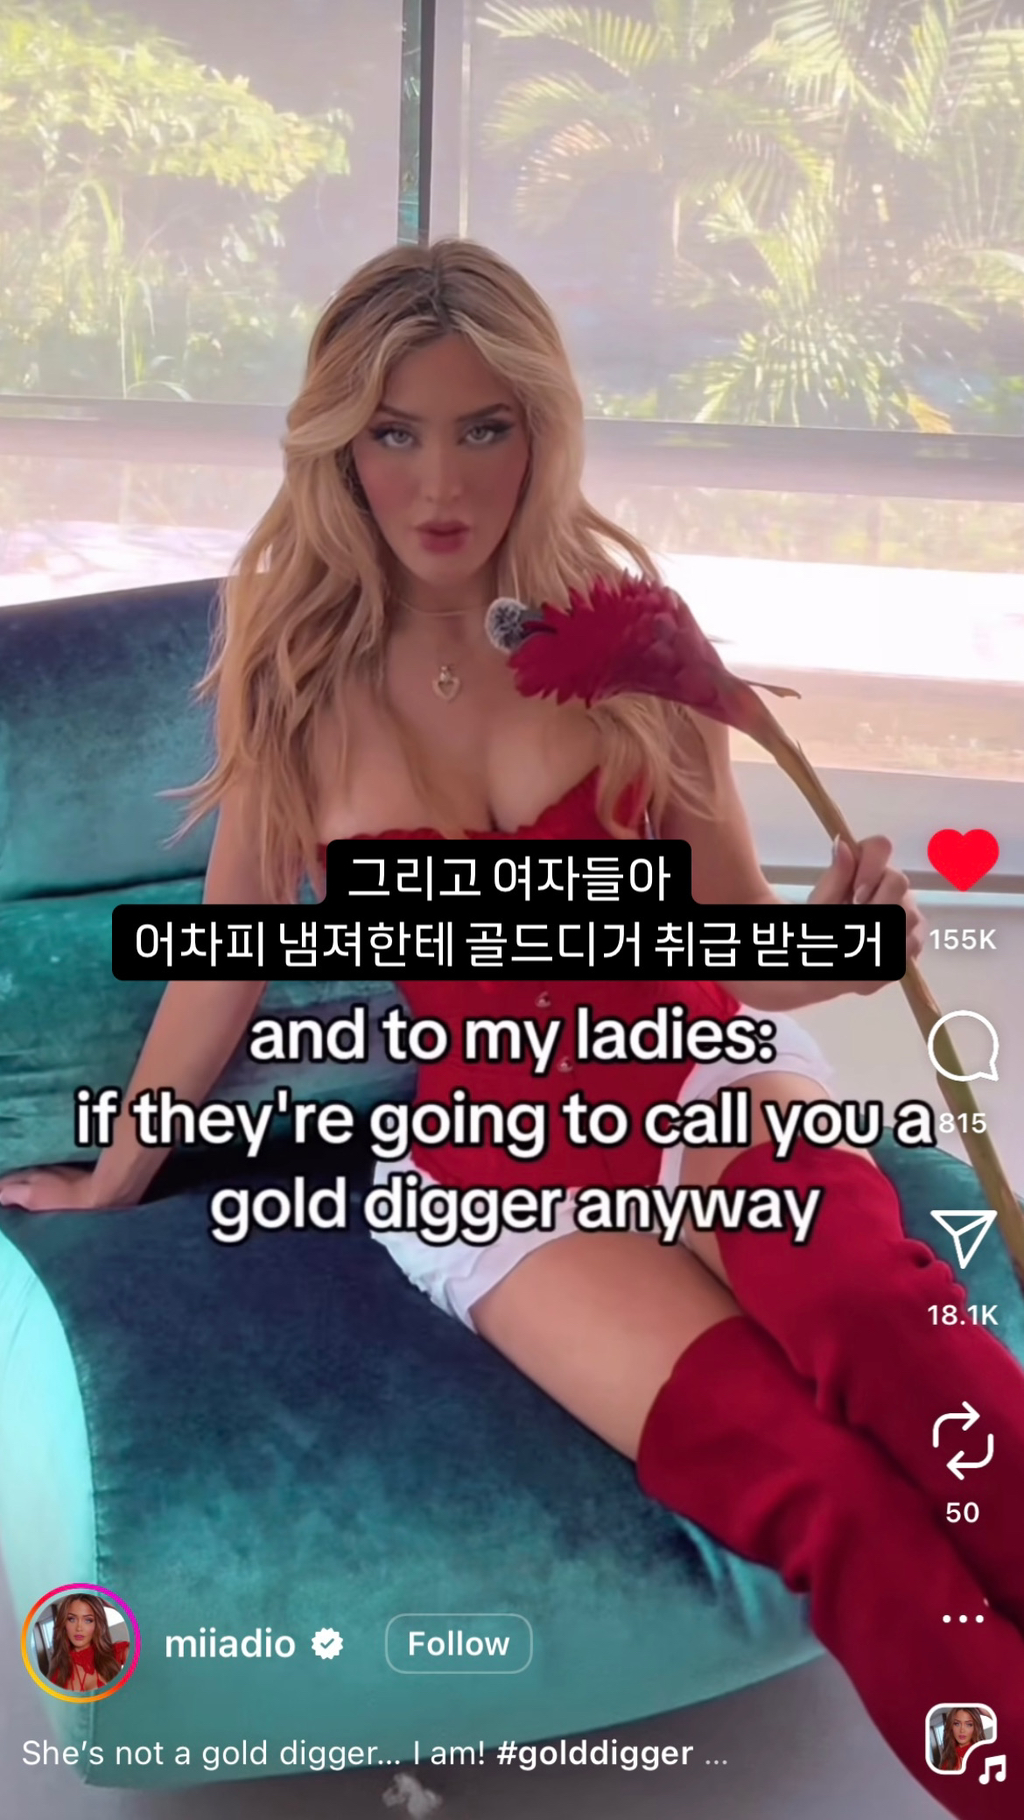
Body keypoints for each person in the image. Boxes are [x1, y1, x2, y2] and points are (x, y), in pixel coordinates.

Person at [2, 238, 1024, 1814]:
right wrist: (120, 1174)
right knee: (814, 1487)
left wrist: (841, 946)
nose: (441, 480)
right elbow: (229, 958)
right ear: (340, 443)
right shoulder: (295, 681)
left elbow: (728, 943)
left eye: (484, 426)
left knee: (877, 1326)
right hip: (499, 1173)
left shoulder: (631, 641)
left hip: (704, 1080)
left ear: (541, 426)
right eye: (396, 431)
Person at [45, 1595, 130, 1694]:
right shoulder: (57, 1674)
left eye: (88, 1620)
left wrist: (118, 1606)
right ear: (64, 1623)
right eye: (72, 1619)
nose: (79, 1628)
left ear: (98, 1624)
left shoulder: (117, 1653)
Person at [933, 1707, 991, 1773]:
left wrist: (989, 1713)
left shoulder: (983, 1753)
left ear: (976, 1727)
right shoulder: (947, 1759)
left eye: (969, 1724)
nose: (962, 1730)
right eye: (957, 1724)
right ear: (951, 1726)